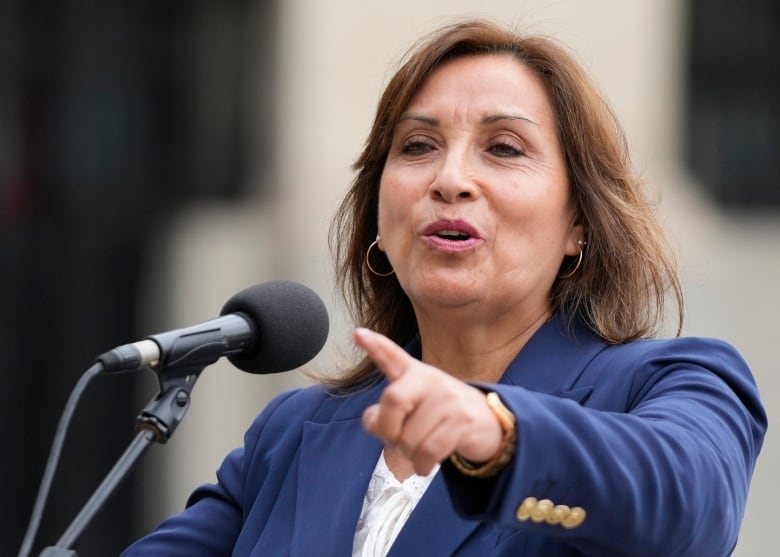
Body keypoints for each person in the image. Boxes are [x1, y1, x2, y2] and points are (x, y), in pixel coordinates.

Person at [121, 19, 766, 557]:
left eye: (505, 148)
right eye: (419, 146)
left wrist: (498, 432)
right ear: (378, 215)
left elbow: (693, 505)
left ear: (579, 224)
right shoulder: (292, 434)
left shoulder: (671, 382)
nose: (450, 179)